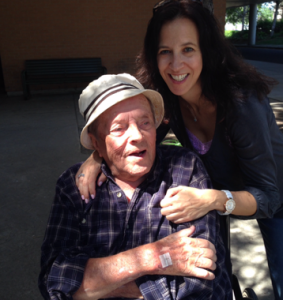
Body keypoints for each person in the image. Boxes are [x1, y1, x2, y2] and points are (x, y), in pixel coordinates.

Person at [75, 1, 283, 299]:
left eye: (188, 49)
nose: (175, 65)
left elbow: (268, 198)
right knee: (217, 271)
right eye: (165, 52)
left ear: (206, 51)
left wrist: (212, 199)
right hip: (222, 194)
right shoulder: (169, 97)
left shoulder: (242, 105)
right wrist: (96, 156)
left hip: (274, 196)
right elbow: (139, 140)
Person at [39, 73, 232, 300]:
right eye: (119, 128)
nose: (137, 136)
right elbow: (55, 282)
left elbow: (198, 281)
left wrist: (95, 286)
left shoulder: (184, 168)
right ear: (96, 143)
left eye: (145, 123)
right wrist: (153, 258)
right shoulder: (72, 186)